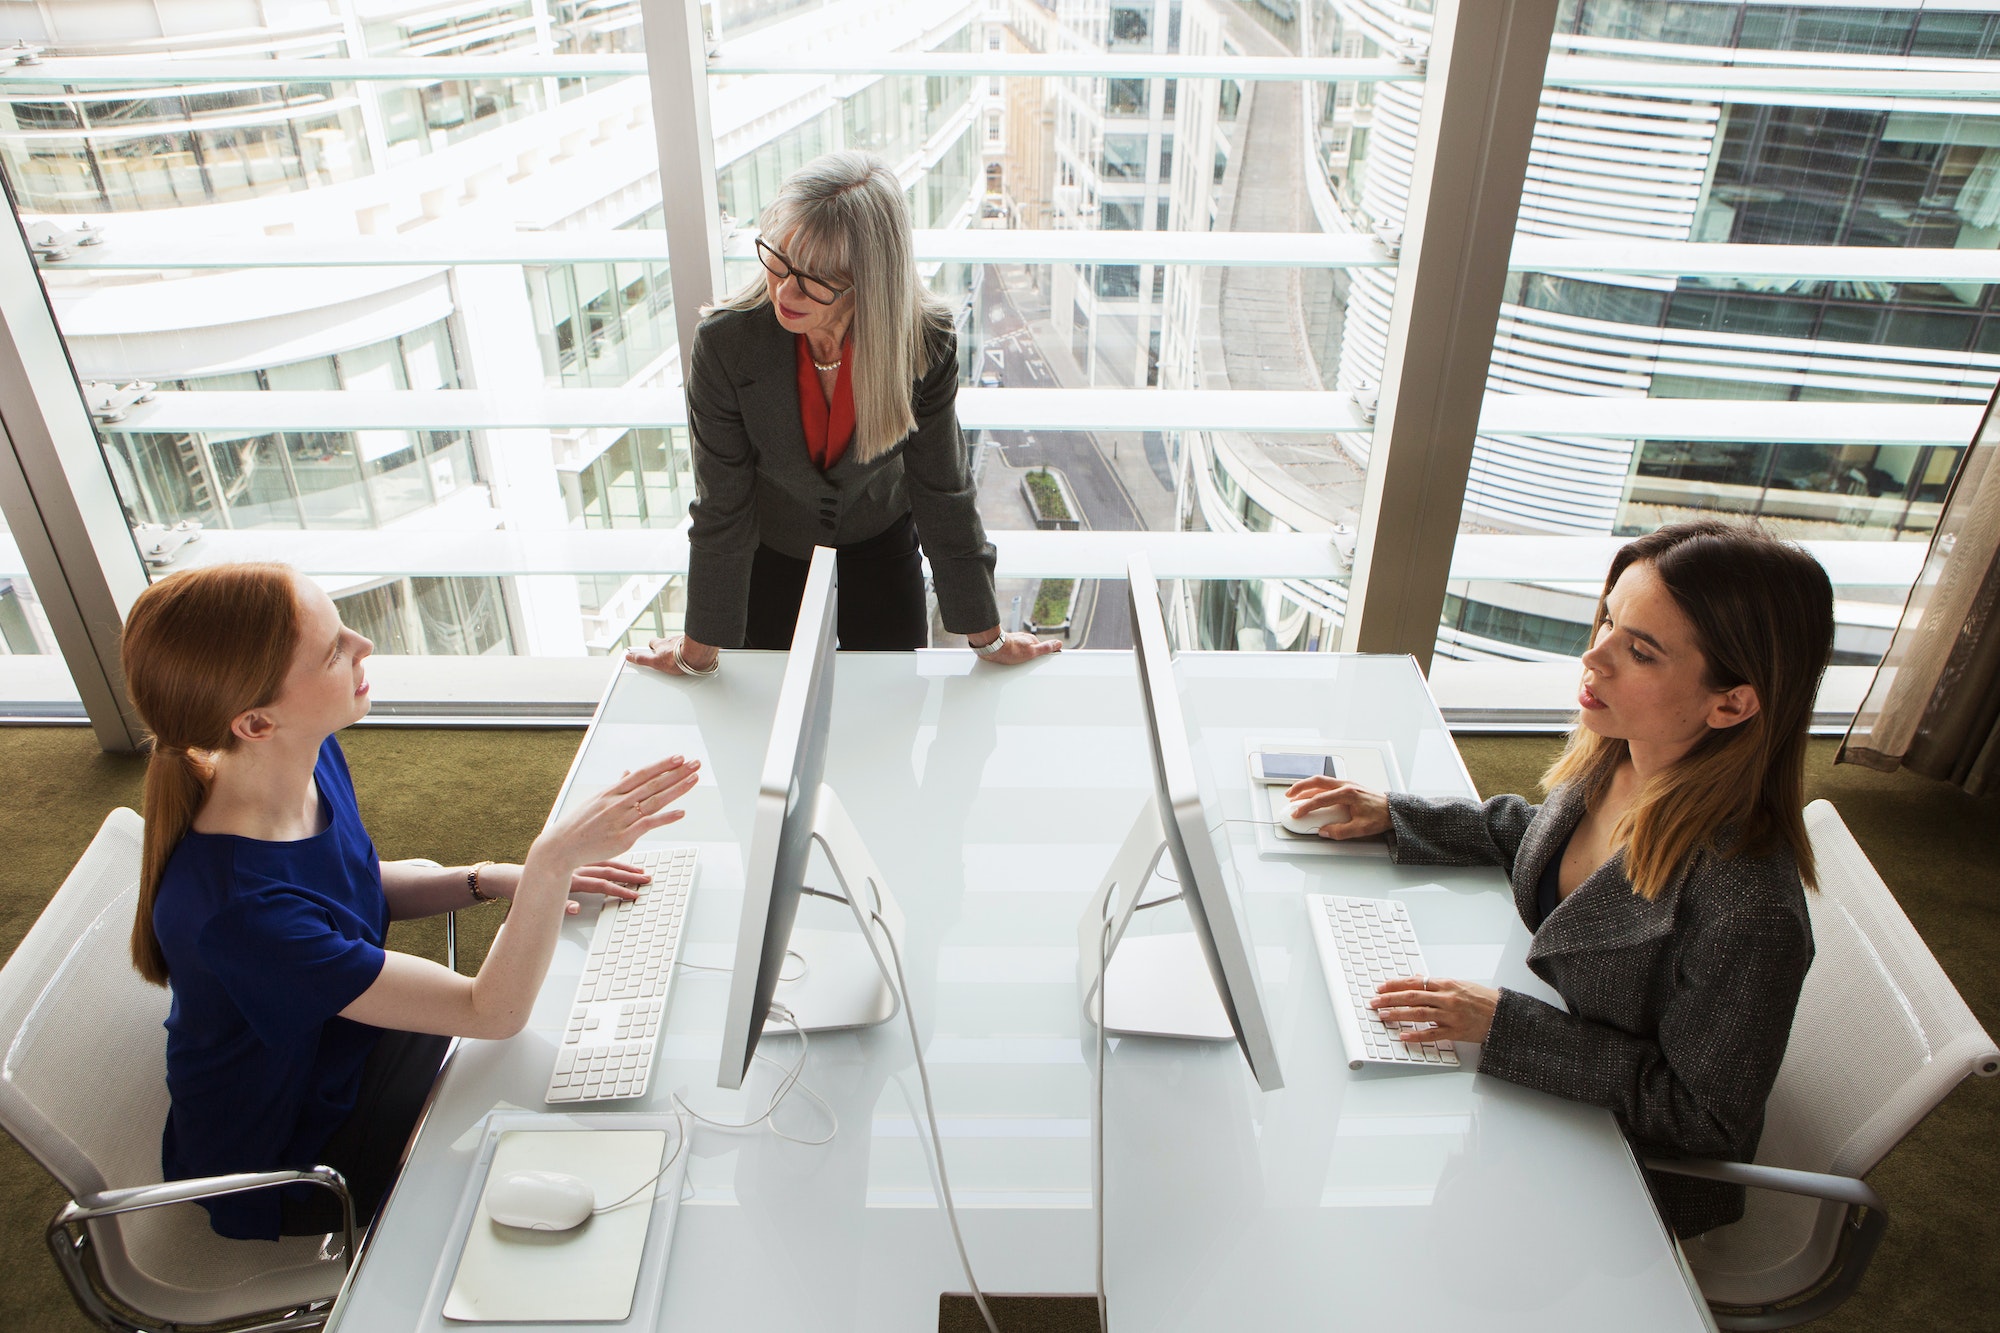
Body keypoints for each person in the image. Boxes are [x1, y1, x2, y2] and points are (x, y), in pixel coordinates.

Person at [1284, 519, 1832, 1238]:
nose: (1593, 656)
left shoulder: (1748, 908)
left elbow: (1699, 1119)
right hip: (1545, 1102)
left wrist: (1505, 1023)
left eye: (1639, 650)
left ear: (1731, 702)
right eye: (1609, 619)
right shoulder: (1626, 756)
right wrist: (1393, 813)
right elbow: (1532, 837)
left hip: (1627, 1172)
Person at [122, 563, 700, 1241]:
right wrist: (550, 863)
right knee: (577, 1124)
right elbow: (493, 1011)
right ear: (254, 721)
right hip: (302, 1153)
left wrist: (494, 877)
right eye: (333, 649)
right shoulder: (240, 915)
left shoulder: (303, 758)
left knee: (585, 1070)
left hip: (352, 1047)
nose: (363, 644)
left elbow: (354, 884)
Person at [625, 151, 1058, 678]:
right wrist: (696, 653)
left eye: (815, 279)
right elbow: (723, 509)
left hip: (881, 548)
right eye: (779, 261)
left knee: (890, 721)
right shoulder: (725, 345)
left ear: (870, 280)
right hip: (771, 556)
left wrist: (988, 640)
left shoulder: (925, 344)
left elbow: (942, 493)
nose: (785, 291)